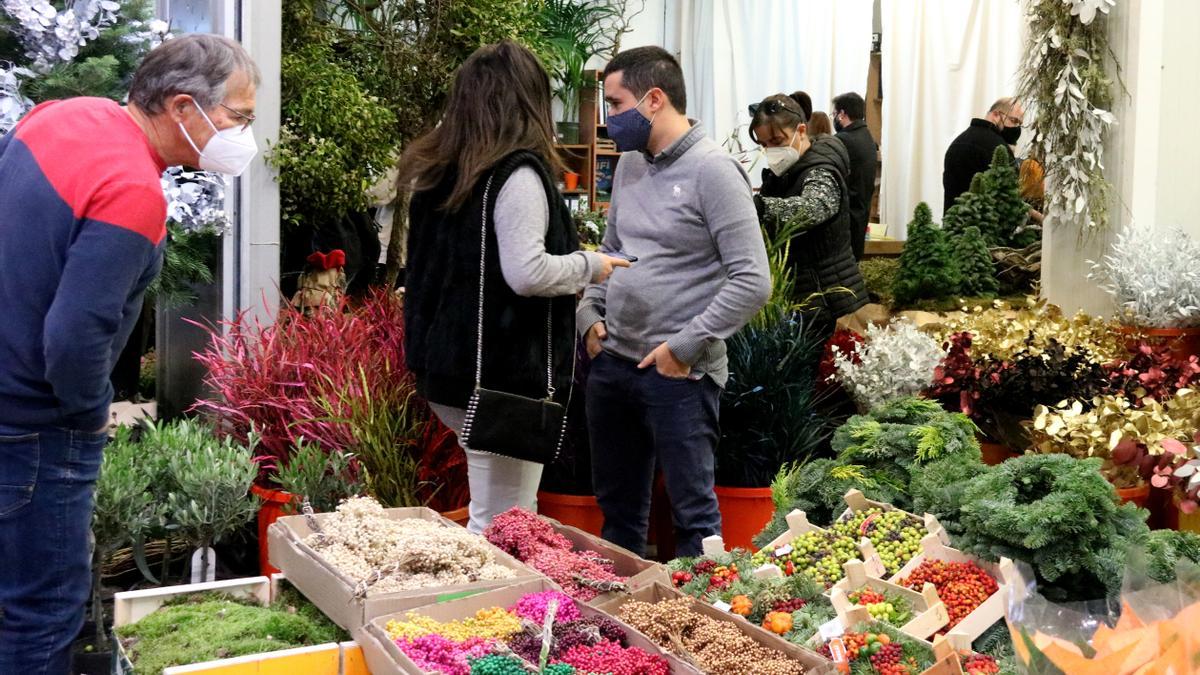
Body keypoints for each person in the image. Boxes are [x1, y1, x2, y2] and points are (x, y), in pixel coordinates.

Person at [0, 34, 260, 673]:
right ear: (182, 108)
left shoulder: (61, 115)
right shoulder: (134, 192)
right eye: (239, 116)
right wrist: (90, 415)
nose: (245, 135)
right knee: (42, 614)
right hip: (37, 429)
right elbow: (74, 339)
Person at [400, 41, 630, 535]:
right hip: (502, 378)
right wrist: (591, 264)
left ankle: (483, 608)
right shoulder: (517, 173)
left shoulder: (443, 171)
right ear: (527, 100)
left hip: (447, 368)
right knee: (505, 523)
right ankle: (490, 611)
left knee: (494, 514)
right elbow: (526, 272)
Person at [579, 46, 770, 557]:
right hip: (612, 363)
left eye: (616, 104)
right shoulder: (629, 167)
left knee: (694, 522)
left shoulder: (714, 172)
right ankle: (619, 627)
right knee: (618, 516)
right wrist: (588, 314)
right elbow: (612, 251)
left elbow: (753, 281)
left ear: (654, 100)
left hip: (678, 376)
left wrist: (682, 348)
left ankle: (698, 631)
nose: (610, 118)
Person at [750, 93, 867, 339]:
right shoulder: (786, 174)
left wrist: (760, 207)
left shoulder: (821, 168)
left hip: (831, 301)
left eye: (777, 140)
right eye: (764, 144)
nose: (770, 150)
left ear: (801, 130)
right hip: (808, 299)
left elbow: (815, 206)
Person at [942, 97, 1024, 213]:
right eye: (1014, 121)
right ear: (996, 115)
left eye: (1019, 124)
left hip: (952, 224)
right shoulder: (998, 149)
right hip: (983, 227)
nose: (1016, 128)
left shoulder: (958, 142)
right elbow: (1008, 200)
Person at [832, 92, 878, 260]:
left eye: (834, 114)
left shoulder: (842, 140)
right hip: (861, 214)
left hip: (845, 221)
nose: (834, 118)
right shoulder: (868, 138)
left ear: (842, 114)